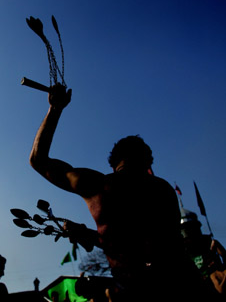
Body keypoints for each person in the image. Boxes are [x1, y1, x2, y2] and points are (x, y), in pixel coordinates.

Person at [29, 84, 211, 301]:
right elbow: (150, 245)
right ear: (147, 162)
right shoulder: (163, 189)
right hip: (183, 285)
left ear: (114, 163)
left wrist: (55, 108)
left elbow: (38, 160)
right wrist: (89, 235)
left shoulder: (98, 186)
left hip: (137, 290)